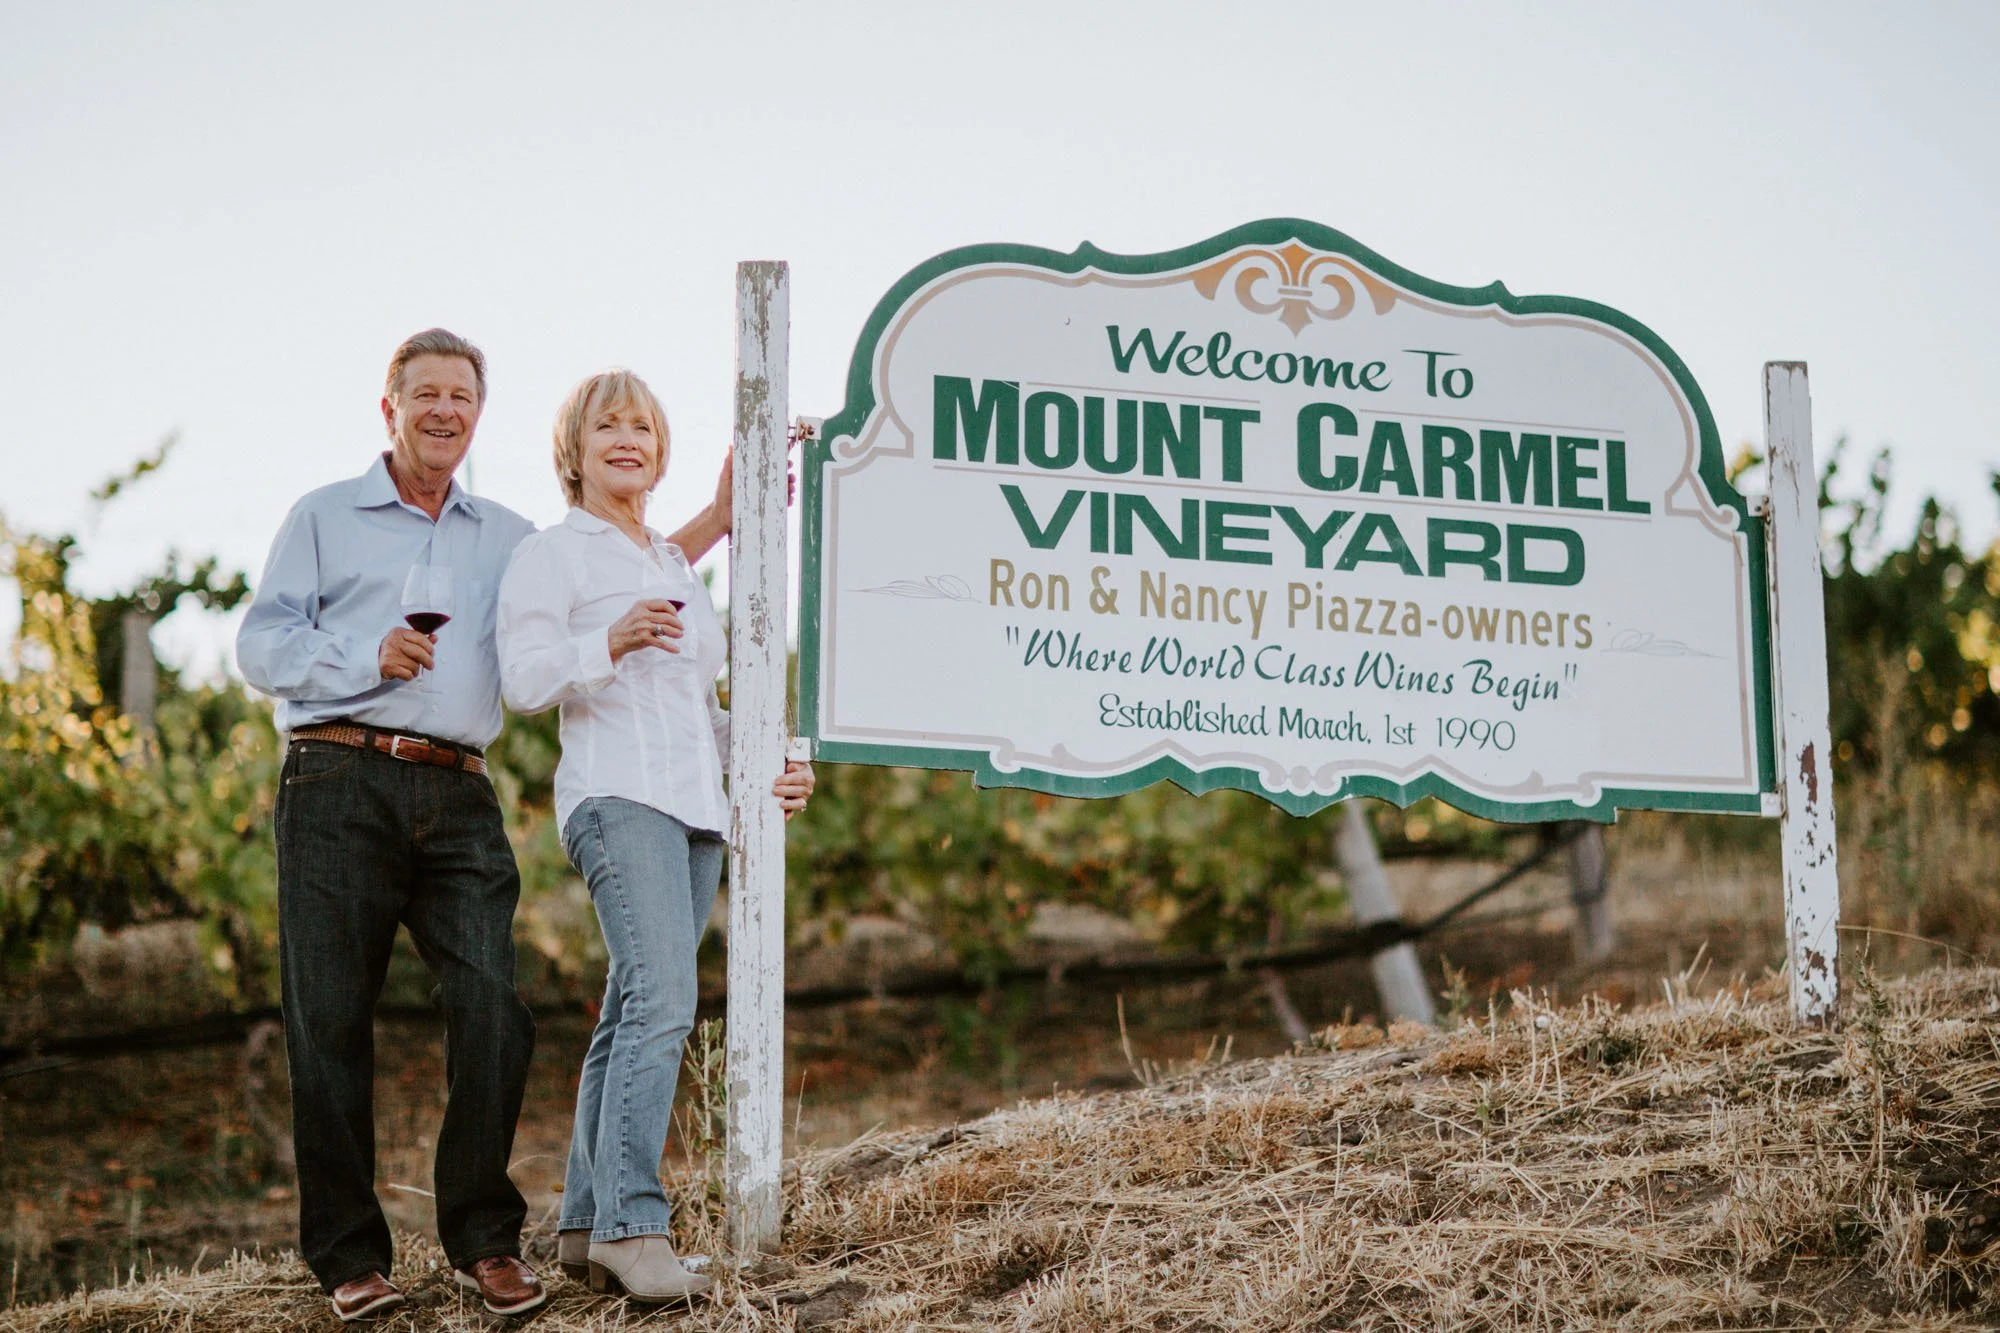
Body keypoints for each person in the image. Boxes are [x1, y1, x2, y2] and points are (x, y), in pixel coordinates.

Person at [235, 331, 741, 1323]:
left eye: (460, 396)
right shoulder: (324, 517)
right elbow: (260, 639)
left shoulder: (511, 536)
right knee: (330, 1019)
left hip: (457, 790)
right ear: (389, 407)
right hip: (336, 774)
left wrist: (721, 517)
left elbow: (617, 556)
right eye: (423, 394)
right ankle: (348, 1254)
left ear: (478, 412)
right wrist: (361, 651)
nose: (442, 411)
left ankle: (482, 1238)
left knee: (494, 1011)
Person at [496, 368, 813, 1305]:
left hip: (696, 805)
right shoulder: (557, 556)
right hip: (617, 794)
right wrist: (609, 643)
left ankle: (587, 1225)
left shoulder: (672, 566)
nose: (627, 439)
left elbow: (700, 707)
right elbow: (523, 680)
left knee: (630, 1008)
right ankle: (638, 1224)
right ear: (576, 449)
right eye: (608, 427)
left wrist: (769, 761)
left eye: (643, 426)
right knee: (666, 1001)